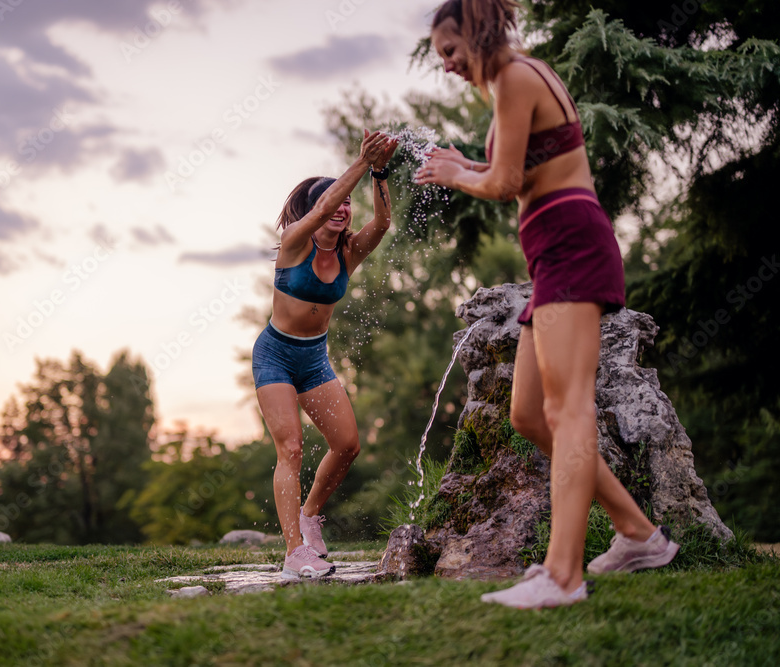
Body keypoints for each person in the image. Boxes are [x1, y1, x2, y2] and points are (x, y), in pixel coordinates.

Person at [414, 0, 679, 608]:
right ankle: (639, 535)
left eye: (450, 51)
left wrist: (459, 175)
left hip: (570, 245)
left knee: (567, 409)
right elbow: (523, 170)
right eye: (441, 59)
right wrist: (467, 164)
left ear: (477, 33)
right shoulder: (522, 77)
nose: (448, 65)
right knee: (530, 414)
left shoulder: (513, 77)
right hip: (552, 255)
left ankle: (563, 576)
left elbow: (505, 185)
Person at [254, 130, 398, 580]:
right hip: (275, 356)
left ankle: (310, 515)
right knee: (291, 449)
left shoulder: (349, 252)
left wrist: (379, 170)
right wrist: (359, 162)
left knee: (348, 445)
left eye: (347, 203)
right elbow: (319, 207)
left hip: (314, 359)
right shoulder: (296, 242)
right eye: (336, 200)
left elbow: (383, 223)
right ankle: (295, 553)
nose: (341, 208)